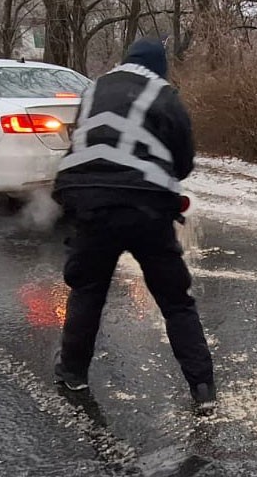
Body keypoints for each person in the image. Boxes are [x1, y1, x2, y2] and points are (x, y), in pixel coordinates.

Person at [52, 36, 216, 413]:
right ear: (159, 67)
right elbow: (184, 159)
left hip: (88, 202)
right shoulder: (164, 94)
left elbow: (80, 139)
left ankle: (72, 372)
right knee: (175, 300)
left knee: (88, 290)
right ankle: (202, 387)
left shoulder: (93, 88)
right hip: (145, 206)